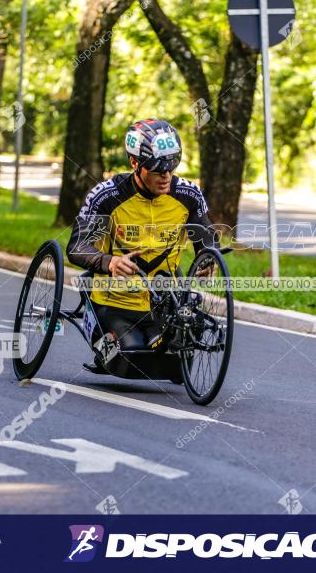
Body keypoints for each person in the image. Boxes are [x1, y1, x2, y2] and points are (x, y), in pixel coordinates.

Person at [66, 118, 217, 381]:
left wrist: (206, 261)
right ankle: (103, 341)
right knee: (128, 361)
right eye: (158, 169)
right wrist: (109, 262)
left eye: (171, 167)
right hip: (116, 303)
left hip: (164, 304)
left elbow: (207, 242)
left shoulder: (188, 195)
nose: (166, 176)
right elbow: (77, 247)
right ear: (135, 164)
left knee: (177, 368)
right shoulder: (107, 196)